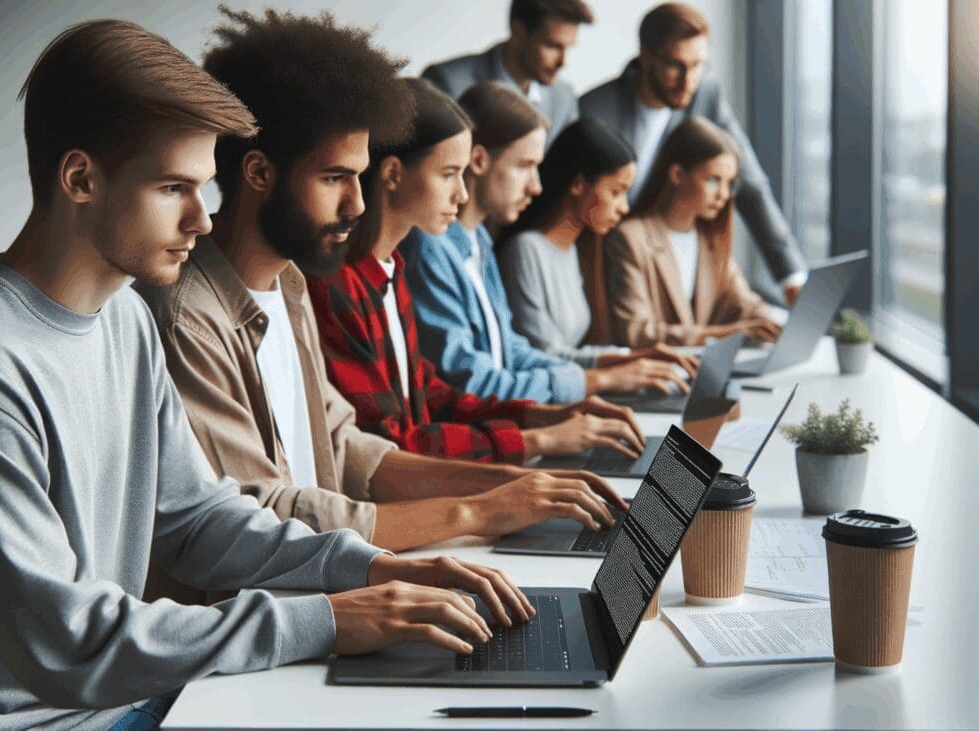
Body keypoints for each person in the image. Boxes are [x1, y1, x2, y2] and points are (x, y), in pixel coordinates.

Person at [0, 19, 532, 730]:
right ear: (81, 178)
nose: (203, 221)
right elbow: (66, 639)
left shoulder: (122, 320)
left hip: (123, 699)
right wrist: (328, 620)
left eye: (203, 187)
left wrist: (368, 570)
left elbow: (196, 518)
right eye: (174, 188)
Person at [138, 14, 623, 562]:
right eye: (334, 178)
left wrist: (509, 483)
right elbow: (263, 516)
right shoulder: (188, 317)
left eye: (358, 176)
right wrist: (477, 509)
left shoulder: (290, 283)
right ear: (257, 172)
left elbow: (348, 448)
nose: (358, 204)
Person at [306, 79, 648, 476]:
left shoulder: (393, 270)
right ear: (394, 174)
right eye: (450, 174)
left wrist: (544, 417)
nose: (462, 194)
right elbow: (390, 445)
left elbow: (433, 395)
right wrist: (536, 439)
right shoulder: (342, 286)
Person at [401, 82, 695, 404]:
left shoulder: (480, 239)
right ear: (480, 161)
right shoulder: (429, 249)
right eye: (525, 166)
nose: (536, 186)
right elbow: (472, 381)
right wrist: (596, 380)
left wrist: (612, 366)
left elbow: (512, 350)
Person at [579, 2, 809, 303]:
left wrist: (791, 276)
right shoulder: (594, 111)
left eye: (698, 65)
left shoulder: (705, 93)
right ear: (645, 56)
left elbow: (749, 183)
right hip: (605, 274)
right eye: (676, 65)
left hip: (669, 269)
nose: (688, 81)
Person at [497, 116, 701, 374]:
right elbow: (544, 354)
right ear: (579, 185)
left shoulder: (574, 250)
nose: (624, 208)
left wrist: (634, 358)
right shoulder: (524, 251)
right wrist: (628, 361)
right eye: (616, 192)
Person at [606, 116, 782, 346]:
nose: (724, 194)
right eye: (712, 180)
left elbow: (746, 305)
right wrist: (724, 334)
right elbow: (636, 331)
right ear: (677, 174)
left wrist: (773, 325)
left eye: (729, 183)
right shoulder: (630, 238)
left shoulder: (709, 241)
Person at [422, 0, 592, 142]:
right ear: (518, 32)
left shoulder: (564, 99)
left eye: (568, 48)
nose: (563, 62)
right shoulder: (446, 83)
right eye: (552, 46)